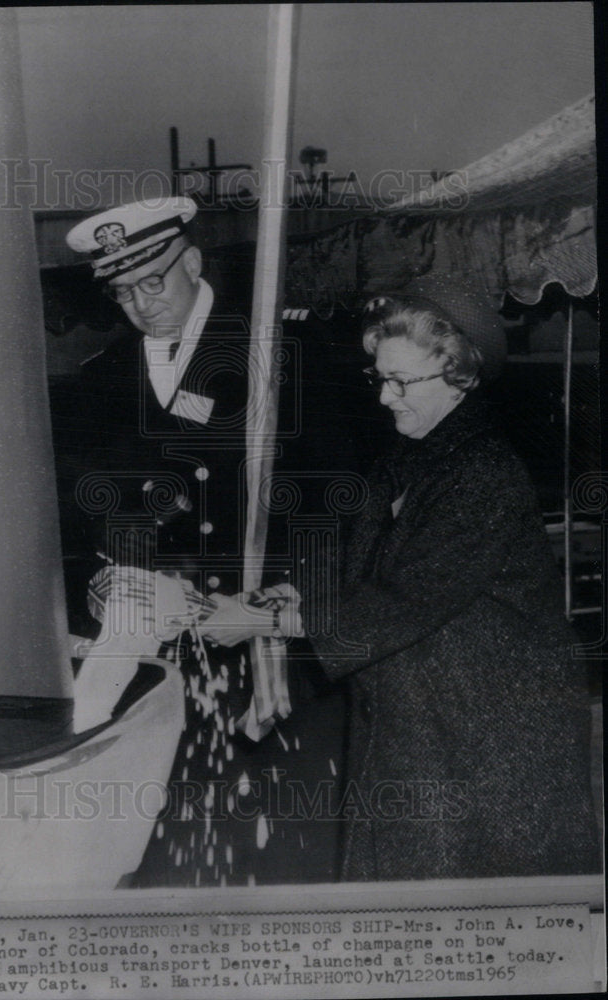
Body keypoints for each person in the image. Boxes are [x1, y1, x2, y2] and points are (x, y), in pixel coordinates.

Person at [203, 275, 600, 881]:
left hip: (495, 731)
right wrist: (295, 595)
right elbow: (366, 564)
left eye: (401, 382)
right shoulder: (407, 455)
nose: (386, 398)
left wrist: (260, 622)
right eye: (379, 379)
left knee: (472, 900)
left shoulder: (485, 473)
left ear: (459, 374)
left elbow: (401, 601)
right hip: (427, 708)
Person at [54, 197, 350, 886]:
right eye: (120, 290)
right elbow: (85, 511)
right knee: (174, 852)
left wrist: (276, 606)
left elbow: (341, 503)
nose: (137, 303)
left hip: (270, 651)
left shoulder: (282, 356)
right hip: (163, 665)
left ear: (191, 261)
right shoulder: (103, 377)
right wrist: (102, 580)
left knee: (280, 855)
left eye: (152, 281)